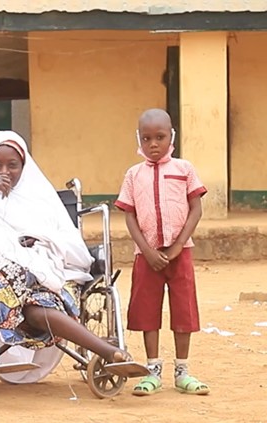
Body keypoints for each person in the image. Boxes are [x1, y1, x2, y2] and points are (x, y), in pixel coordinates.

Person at [0, 130, 142, 376]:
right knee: (2, 269)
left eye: (13, 165)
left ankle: (107, 353)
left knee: (36, 314)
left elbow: (75, 249)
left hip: (45, 272)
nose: (4, 172)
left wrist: (41, 239)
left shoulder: (40, 194)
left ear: (24, 166)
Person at [115, 109, 210, 396]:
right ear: (138, 139)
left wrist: (179, 244)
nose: (153, 144)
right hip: (147, 256)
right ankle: (152, 370)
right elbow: (129, 216)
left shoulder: (185, 169)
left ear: (172, 137)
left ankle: (183, 371)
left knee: (184, 309)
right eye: (146, 138)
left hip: (180, 254)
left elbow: (196, 208)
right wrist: (146, 249)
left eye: (160, 137)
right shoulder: (133, 175)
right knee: (147, 311)